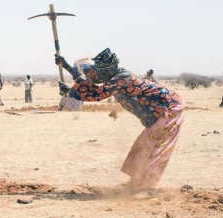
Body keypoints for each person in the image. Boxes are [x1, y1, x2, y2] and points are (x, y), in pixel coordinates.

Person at [55, 48, 185, 199]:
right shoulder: (115, 77)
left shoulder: (121, 77)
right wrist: (66, 66)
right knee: (143, 145)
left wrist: (73, 86)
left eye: (100, 72)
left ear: (108, 70)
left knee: (156, 147)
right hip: (159, 112)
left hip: (169, 109)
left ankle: (147, 189)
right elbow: (93, 84)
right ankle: (137, 182)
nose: (97, 75)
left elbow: (96, 94)